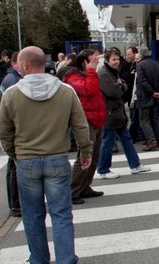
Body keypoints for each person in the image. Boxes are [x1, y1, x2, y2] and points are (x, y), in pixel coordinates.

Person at [0, 46, 92, 264]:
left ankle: (38, 259)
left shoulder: (11, 94)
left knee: (32, 215)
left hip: (26, 160)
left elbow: (3, 133)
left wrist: (16, 155)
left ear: (24, 65)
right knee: (61, 214)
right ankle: (66, 259)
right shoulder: (66, 91)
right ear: (44, 63)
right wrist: (85, 151)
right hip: (57, 158)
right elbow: (80, 126)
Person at [96, 49, 151, 179]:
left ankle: (135, 165)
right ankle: (103, 170)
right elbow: (114, 92)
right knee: (107, 142)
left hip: (116, 112)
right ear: (107, 61)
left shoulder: (112, 72)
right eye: (113, 59)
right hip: (110, 112)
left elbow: (123, 87)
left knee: (126, 140)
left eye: (117, 59)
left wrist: (121, 86)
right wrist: (121, 86)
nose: (116, 62)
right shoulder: (104, 74)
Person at [63, 49, 106, 204]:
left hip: (96, 118)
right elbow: (88, 90)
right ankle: (73, 191)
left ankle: (85, 186)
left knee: (94, 157)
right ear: (84, 63)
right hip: (85, 120)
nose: (96, 62)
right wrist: (92, 72)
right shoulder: (73, 77)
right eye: (93, 60)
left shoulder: (87, 75)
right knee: (85, 156)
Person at [0, 51, 23, 217]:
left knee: (13, 169)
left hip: (14, 131)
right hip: (16, 132)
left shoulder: (10, 78)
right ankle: (16, 204)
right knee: (15, 170)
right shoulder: (14, 81)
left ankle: (15, 203)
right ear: (16, 63)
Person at [135, 47, 159, 151]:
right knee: (154, 119)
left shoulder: (140, 65)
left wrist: (151, 92)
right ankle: (158, 139)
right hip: (155, 95)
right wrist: (157, 92)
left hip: (145, 96)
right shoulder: (156, 64)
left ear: (141, 55)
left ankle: (151, 141)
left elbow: (142, 81)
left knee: (144, 119)